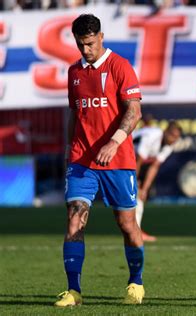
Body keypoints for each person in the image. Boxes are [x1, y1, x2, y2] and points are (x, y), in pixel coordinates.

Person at [55, 14, 145, 307]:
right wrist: (70, 149)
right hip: (82, 161)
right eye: (81, 45)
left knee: (128, 225)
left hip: (118, 160)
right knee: (74, 220)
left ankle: (136, 283)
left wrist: (114, 141)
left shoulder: (120, 66)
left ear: (101, 37)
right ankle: (74, 291)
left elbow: (134, 111)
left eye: (90, 43)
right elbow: (75, 113)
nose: (86, 50)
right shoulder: (74, 72)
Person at [132, 120, 182, 242]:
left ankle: (135, 231)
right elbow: (138, 160)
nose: (174, 140)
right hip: (122, 156)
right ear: (165, 132)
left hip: (135, 162)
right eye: (172, 136)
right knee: (133, 193)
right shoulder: (152, 136)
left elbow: (154, 166)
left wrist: (144, 189)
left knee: (140, 197)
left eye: (176, 138)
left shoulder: (169, 145)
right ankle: (134, 231)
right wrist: (134, 182)